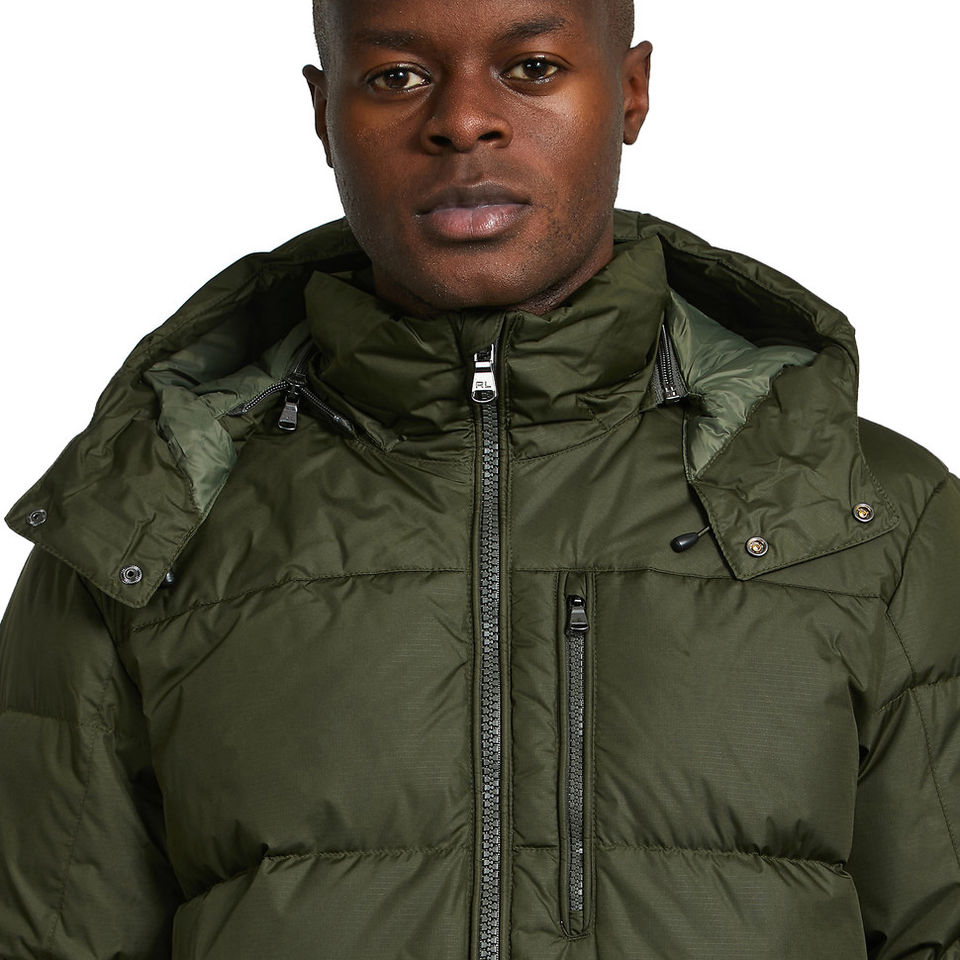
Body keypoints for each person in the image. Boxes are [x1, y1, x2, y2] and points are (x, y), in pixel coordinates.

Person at [1, 0, 958, 958]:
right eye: (397, 76)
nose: (462, 121)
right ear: (324, 112)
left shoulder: (865, 513)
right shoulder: (144, 518)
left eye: (531, 68)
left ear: (629, 91)